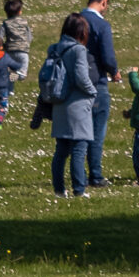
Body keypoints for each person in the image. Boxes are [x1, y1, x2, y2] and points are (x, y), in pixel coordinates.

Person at [47, 13, 98, 199]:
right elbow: (81, 77)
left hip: (59, 103)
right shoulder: (78, 50)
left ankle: (59, 190)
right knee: (79, 148)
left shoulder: (54, 48)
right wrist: (93, 91)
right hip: (77, 104)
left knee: (61, 150)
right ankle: (79, 189)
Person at [82, 0, 117, 186]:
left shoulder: (74, 20)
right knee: (96, 132)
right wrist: (114, 71)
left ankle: (78, 174)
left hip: (75, 83)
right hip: (96, 81)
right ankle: (95, 175)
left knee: (78, 132)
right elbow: (108, 56)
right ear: (103, 2)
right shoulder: (101, 25)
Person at [0, 0, 29, 118]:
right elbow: (29, 36)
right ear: (20, 11)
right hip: (23, 52)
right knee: (22, 75)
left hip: (10, 52)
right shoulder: (24, 22)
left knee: (11, 72)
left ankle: (9, 91)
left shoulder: (5, 24)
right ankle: (9, 86)